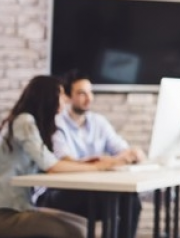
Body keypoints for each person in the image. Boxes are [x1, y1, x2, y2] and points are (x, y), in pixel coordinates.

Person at [0, 75, 118, 238]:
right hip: (5, 212)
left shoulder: (30, 122)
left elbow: (48, 163)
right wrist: (97, 167)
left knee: (83, 225)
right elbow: (51, 166)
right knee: (79, 231)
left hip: (22, 207)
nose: (65, 100)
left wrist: (82, 163)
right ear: (48, 97)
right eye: (61, 95)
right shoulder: (25, 121)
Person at [35, 70, 144, 238]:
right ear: (68, 96)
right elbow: (66, 159)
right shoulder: (57, 123)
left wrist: (131, 154)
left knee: (131, 200)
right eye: (81, 93)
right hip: (59, 192)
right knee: (110, 200)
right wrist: (107, 163)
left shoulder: (98, 121)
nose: (89, 98)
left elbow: (120, 147)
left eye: (90, 92)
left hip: (91, 190)